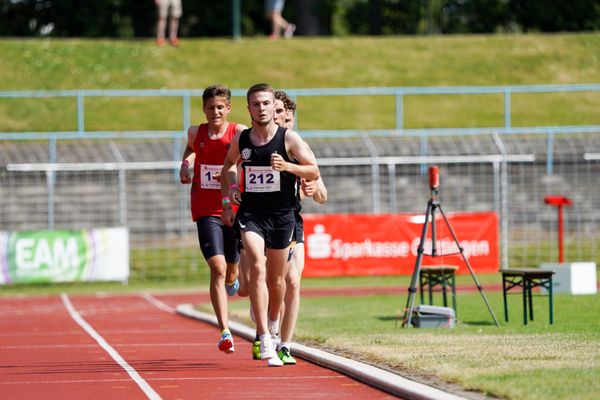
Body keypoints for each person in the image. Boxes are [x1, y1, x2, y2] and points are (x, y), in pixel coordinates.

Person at [221, 83, 319, 367]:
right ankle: (264, 338)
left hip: (282, 215)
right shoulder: (243, 140)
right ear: (248, 108)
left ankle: (273, 324)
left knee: (278, 282)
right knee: (258, 267)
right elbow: (229, 165)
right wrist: (232, 189)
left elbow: (313, 169)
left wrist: (287, 167)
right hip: (252, 214)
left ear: (272, 106)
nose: (261, 109)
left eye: (266, 103)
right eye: (256, 104)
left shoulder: (289, 139)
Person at [180, 84, 247, 355]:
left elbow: (249, 159)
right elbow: (190, 149)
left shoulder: (239, 132)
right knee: (217, 268)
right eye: (210, 108)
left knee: (231, 271)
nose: (215, 112)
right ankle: (225, 330)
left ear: (228, 108)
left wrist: (230, 172)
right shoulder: (196, 132)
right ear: (204, 109)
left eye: (220, 107)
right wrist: (185, 165)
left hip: (232, 208)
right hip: (205, 208)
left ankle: (234, 278)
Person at [272, 91, 328, 365]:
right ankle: (269, 330)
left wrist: (312, 187)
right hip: (265, 221)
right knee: (276, 284)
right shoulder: (261, 145)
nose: (283, 120)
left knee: (293, 282)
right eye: (279, 113)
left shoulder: (300, 149)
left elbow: (322, 196)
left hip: (293, 222)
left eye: (288, 116)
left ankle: (285, 344)